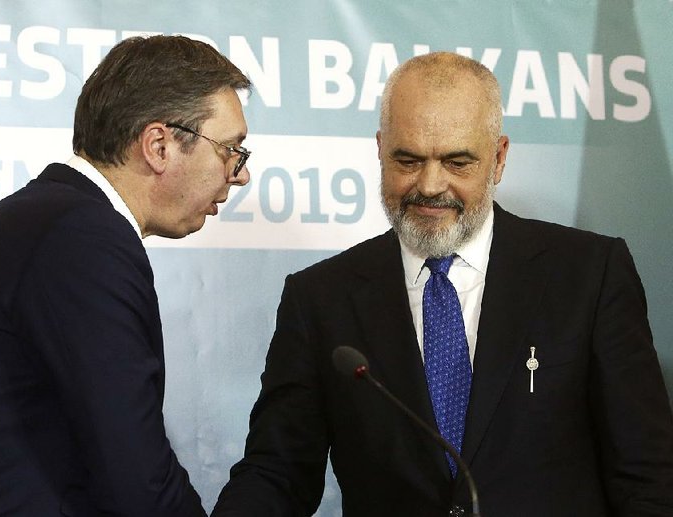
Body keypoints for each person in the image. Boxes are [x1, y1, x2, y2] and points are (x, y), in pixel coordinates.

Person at [212, 52, 673, 516]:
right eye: (408, 159)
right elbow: (279, 470)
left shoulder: (589, 275)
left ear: (498, 159)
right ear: (379, 150)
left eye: (456, 162)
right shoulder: (320, 299)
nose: (430, 185)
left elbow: (645, 476)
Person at [0, 35, 251, 516]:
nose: (240, 174)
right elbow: (135, 475)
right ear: (159, 145)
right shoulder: (84, 238)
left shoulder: (52, 220)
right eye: (230, 149)